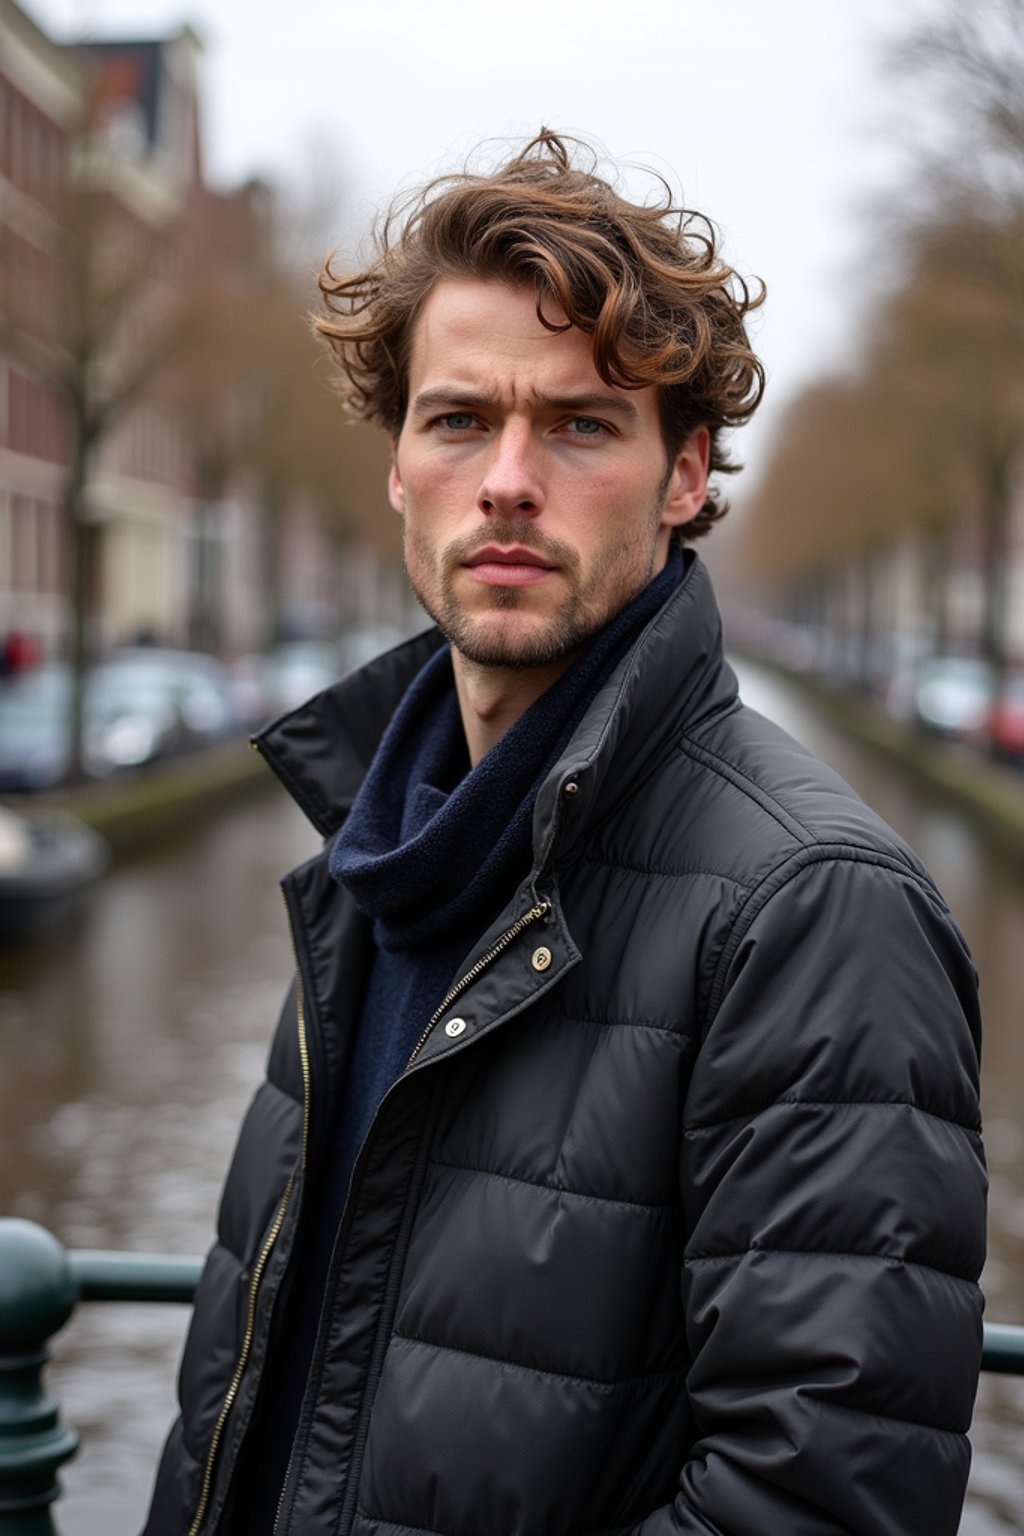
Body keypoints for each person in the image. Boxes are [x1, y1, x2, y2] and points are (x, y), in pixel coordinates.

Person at [144, 131, 986, 1536]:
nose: (509, 479)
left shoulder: (815, 910)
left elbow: (820, 1499)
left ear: (682, 477)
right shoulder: (374, 855)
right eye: (459, 419)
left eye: (583, 423)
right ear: (398, 471)